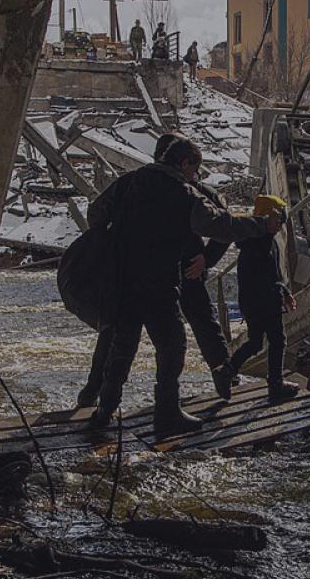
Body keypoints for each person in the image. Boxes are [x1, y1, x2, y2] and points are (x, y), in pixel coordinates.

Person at [85, 136, 279, 434]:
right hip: (158, 283)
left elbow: (95, 214)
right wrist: (260, 226)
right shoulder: (184, 194)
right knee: (172, 346)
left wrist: (114, 243)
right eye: (194, 169)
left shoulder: (129, 181)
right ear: (184, 163)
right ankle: (167, 413)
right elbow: (220, 225)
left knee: (121, 348)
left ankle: (104, 411)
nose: (195, 176)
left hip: (121, 280)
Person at [77, 134, 238, 407]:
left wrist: (207, 259)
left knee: (194, 325)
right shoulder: (141, 185)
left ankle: (225, 379)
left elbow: (226, 225)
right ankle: (97, 392)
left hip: (182, 269)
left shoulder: (186, 190)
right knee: (133, 335)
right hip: (151, 271)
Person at [220, 195, 300, 403]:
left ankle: (227, 370)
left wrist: (285, 291)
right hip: (262, 300)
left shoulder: (262, 240)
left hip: (253, 300)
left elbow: (273, 274)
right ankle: (275, 385)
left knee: (255, 342)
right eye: (277, 219)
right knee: (277, 340)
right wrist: (279, 293)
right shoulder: (258, 243)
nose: (280, 223)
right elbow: (265, 276)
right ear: (266, 218)